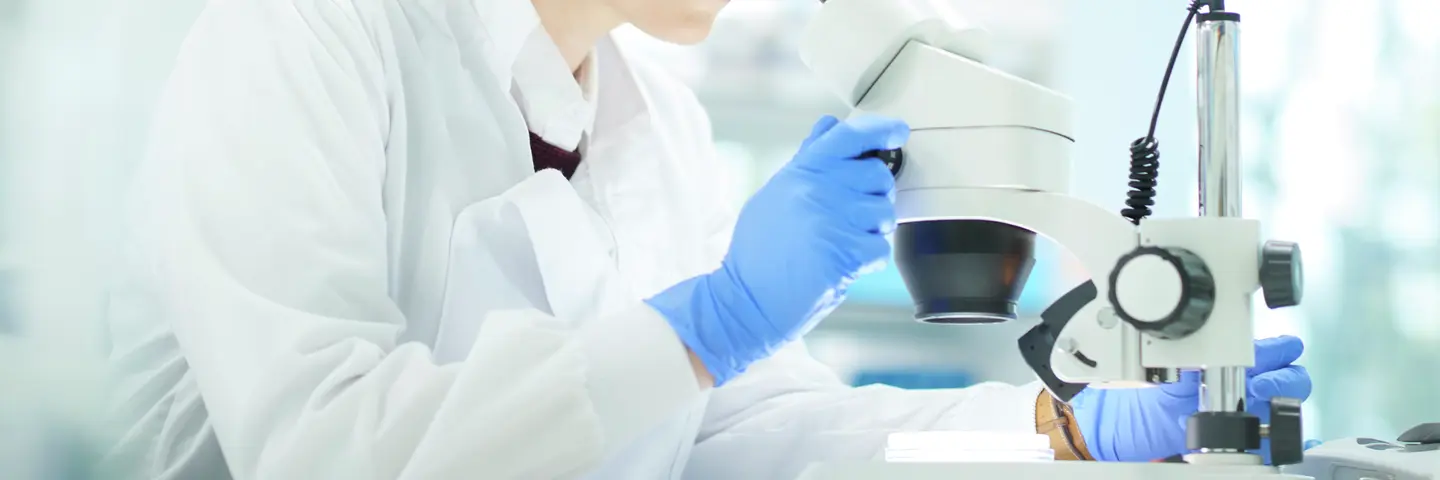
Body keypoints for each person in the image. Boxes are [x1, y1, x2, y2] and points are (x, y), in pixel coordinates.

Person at [101, 0, 1312, 478]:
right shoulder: (309, 34)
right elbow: (323, 452)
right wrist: (709, 321)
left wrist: (1055, 438)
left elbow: (745, 440)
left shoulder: (658, 121)